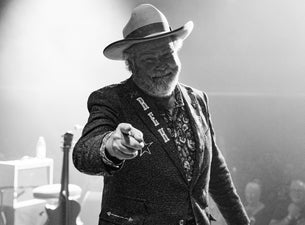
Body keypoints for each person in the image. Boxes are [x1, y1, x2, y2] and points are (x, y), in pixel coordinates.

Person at [72, 4, 250, 225]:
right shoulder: (111, 99)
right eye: (149, 59)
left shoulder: (198, 99)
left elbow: (217, 173)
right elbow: (83, 153)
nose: (162, 65)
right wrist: (110, 146)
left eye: (167, 54)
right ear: (131, 64)